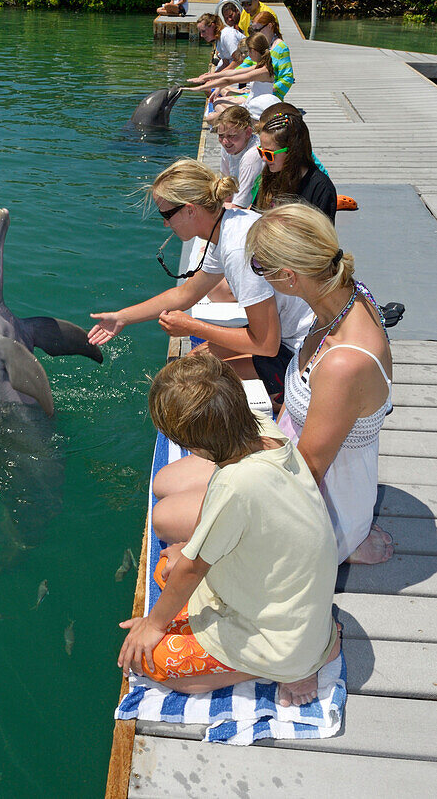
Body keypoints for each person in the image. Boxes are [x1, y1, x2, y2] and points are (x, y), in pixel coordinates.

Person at [118, 350, 339, 707]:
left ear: (197, 446)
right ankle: (302, 652)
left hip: (282, 638)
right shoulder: (261, 427)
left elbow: (192, 568)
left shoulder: (236, 486)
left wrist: (155, 625)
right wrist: (191, 547)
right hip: (293, 604)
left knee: (154, 662)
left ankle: (291, 667)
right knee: (168, 568)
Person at [88, 159, 314, 402]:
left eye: (166, 214)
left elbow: (267, 344)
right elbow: (185, 294)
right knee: (194, 360)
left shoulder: (238, 249)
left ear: (190, 209)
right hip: (289, 337)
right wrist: (123, 317)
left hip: (302, 353)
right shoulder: (230, 223)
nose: (165, 223)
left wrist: (192, 327)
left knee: (188, 383)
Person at [245, 204, 395, 565]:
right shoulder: (346, 294)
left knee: (173, 515)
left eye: (259, 267)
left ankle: (348, 544)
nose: (258, 275)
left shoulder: (343, 363)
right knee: (174, 483)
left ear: (289, 276)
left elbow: (306, 473)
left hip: (322, 505)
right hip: (293, 454)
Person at [254, 104, 337, 221]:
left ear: (292, 152)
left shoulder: (320, 187)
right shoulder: (270, 175)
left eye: (269, 154)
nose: (263, 158)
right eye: (261, 151)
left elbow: (321, 235)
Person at [217, 105, 264, 207]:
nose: (225, 142)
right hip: (238, 203)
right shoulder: (228, 146)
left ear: (248, 132)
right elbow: (226, 186)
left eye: (232, 136)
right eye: (221, 135)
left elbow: (241, 206)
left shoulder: (252, 156)